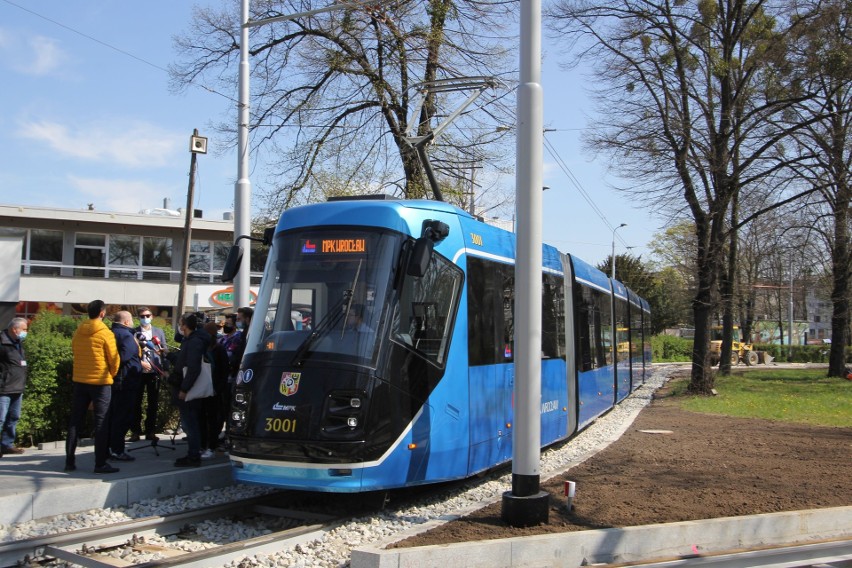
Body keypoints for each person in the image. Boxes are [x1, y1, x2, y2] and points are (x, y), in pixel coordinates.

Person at [66, 300, 121, 474]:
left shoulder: (79, 331)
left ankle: (69, 461)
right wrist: (110, 374)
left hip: (80, 381)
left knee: (75, 421)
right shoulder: (105, 333)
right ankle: (100, 463)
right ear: (102, 313)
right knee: (101, 423)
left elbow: (74, 349)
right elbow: (114, 359)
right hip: (100, 382)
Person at [171, 312, 211, 467]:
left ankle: (194, 455)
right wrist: (169, 356)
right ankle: (193, 453)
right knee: (190, 423)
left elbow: (193, 368)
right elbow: (185, 361)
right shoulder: (190, 340)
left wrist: (184, 389)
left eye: (181, 323)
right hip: (187, 387)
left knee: (191, 424)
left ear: (185, 325)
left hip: (189, 390)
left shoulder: (194, 342)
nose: (179, 327)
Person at [107, 311, 148, 461]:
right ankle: (117, 450)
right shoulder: (125, 335)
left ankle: (112, 448)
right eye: (131, 320)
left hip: (119, 380)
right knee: (123, 417)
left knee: (115, 416)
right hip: (125, 382)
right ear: (126, 322)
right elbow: (125, 357)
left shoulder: (112, 332)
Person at [130, 307, 167, 442]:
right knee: (136, 402)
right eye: (142, 316)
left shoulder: (159, 332)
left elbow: (164, 351)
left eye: (147, 315)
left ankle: (150, 431)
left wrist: (165, 368)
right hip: (139, 372)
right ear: (138, 317)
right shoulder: (134, 332)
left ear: (152, 316)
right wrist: (140, 363)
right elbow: (130, 353)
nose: (145, 318)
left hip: (154, 371)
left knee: (153, 403)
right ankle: (135, 431)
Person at [199, 321, 229, 458]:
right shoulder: (203, 348)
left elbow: (224, 371)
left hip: (214, 389)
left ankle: (211, 445)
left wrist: (219, 388)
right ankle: (204, 444)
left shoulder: (219, 349)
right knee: (202, 418)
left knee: (212, 419)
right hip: (204, 388)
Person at [0, 317, 29, 456]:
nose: (25, 332)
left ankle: (7, 444)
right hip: (4, 387)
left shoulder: (18, 343)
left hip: (17, 387)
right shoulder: (2, 343)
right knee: (1, 418)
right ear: (14, 329)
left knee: (13, 417)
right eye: (24, 329)